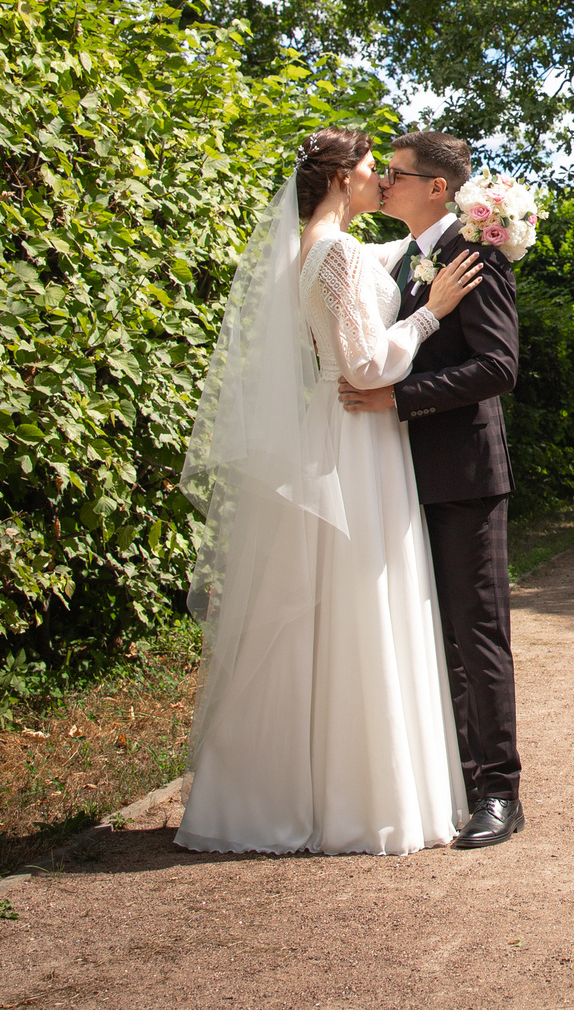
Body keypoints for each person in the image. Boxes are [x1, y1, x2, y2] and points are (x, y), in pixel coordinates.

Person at [175, 128, 485, 856]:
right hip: (357, 435)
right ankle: (360, 797)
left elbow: (381, 268)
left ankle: (307, 783)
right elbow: (365, 362)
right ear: (344, 177)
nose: (382, 179)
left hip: (339, 433)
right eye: (374, 168)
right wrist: (433, 309)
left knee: (332, 609)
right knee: (358, 600)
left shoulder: (319, 245)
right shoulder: (336, 250)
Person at [338, 129, 525, 849]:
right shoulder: (420, 259)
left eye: (397, 174)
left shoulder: (473, 255)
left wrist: (399, 399)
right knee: (441, 636)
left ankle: (501, 793)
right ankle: (463, 780)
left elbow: (497, 366)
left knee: (478, 634)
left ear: (438, 188)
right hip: (413, 473)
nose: (385, 184)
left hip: (466, 477)